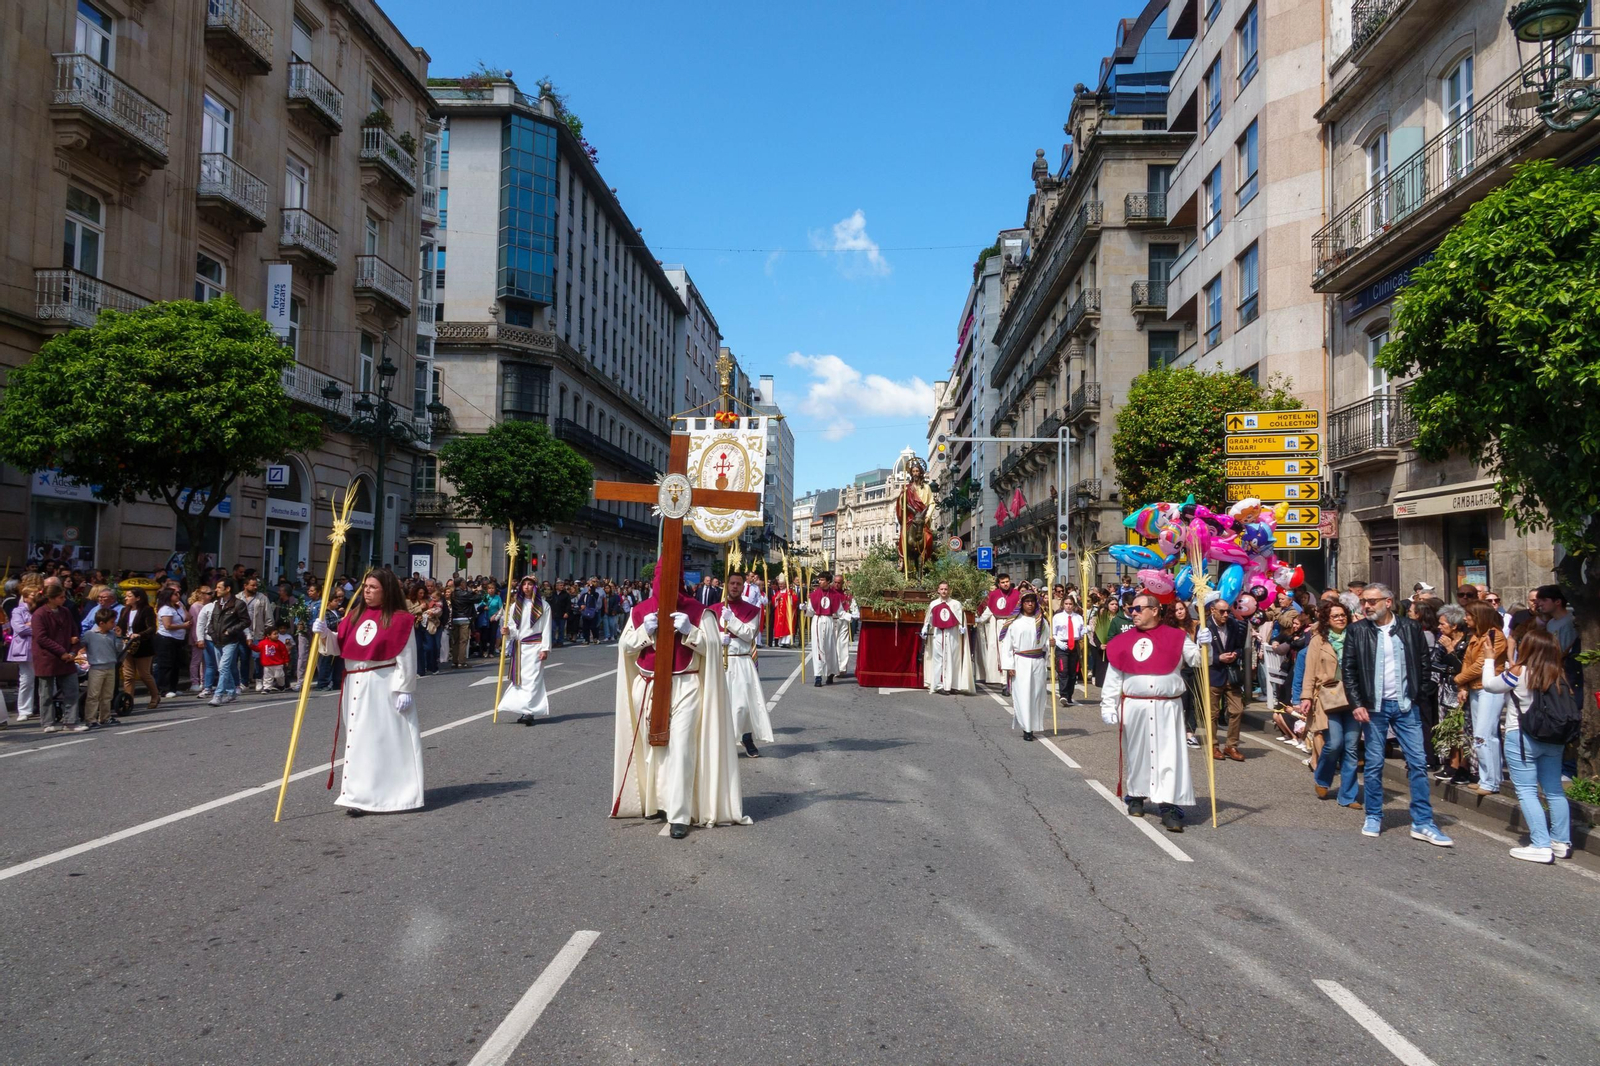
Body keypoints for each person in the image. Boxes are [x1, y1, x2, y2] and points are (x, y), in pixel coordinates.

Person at [611, 564, 748, 839]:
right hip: (648, 685)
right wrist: (643, 633)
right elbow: (624, 647)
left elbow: (712, 649)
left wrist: (691, 632)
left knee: (682, 747)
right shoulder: (640, 610)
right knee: (654, 748)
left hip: (686, 683)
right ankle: (656, 802)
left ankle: (680, 814)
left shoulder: (698, 612)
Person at [1341, 583, 1452, 846]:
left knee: (1417, 763)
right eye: (1364, 602)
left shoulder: (1410, 628)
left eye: (1372, 601)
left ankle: (1423, 822)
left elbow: (1425, 665)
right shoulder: (1357, 631)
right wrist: (1357, 702)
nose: (1366, 606)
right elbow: (1349, 669)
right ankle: (1374, 815)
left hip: (1405, 706)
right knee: (1375, 763)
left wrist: (1419, 694)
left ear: (1388, 602)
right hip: (1374, 707)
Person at [312, 569, 423, 815]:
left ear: (386, 591)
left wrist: (405, 688)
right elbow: (337, 647)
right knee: (357, 740)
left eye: (373, 587)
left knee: (379, 740)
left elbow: (406, 655)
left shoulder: (400, 619)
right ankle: (357, 794)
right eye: (366, 586)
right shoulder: (354, 615)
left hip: (382, 684)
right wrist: (324, 634)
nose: (367, 591)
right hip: (353, 683)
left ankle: (384, 794)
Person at [1100, 591, 1209, 833]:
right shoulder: (1123, 640)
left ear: (1155, 610)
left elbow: (1200, 661)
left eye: (1138, 609)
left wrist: (1204, 643)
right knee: (1137, 753)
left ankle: (1169, 806)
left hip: (1167, 706)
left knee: (1168, 755)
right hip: (1134, 705)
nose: (1133, 613)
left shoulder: (1177, 637)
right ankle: (1137, 796)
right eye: (1131, 610)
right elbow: (1114, 676)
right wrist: (1107, 704)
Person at [1481, 626, 1575, 863]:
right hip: (1553, 739)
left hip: (1521, 737)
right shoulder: (1559, 674)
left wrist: (1490, 660)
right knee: (1553, 790)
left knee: (1527, 791)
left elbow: (1490, 685)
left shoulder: (1519, 672)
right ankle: (1561, 842)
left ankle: (1541, 845)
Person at [1299, 600, 1359, 807]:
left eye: (1343, 615)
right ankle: (1322, 778)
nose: (1341, 618)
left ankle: (1348, 795)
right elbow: (1309, 671)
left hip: (1353, 698)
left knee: (1351, 747)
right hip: (1327, 696)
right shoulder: (1319, 641)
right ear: (1327, 619)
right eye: (1336, 616)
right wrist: (1306, 696)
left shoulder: (1356, 636)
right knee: (1334, 743)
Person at [1454, 600, 1510, 796]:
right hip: (1476, 688)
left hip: (1490, 688)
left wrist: (1459, 679)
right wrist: (1462, 685)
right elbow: (1467, 661)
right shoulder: (1476, 635)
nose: (1465, 618)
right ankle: (1487, 778)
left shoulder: (1495, 636)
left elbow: (1481, 664)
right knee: (1480, 735)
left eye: (1469, 615)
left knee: (1484, 735)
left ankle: (1492, 781)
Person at [719, 573, 773, 757]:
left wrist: (731, 620)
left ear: (743, 587)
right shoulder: (714, 609)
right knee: (720, 704)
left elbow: (749, 634)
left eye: (738, 584)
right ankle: (721, 742)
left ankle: (746, 737)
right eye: (732, 583)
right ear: (726, 585)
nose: (735, 586)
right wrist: (717, 638)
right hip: (719, 661)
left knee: (742, 705)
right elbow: (705, 635)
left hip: (741, 660)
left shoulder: (752, 610)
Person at [497, 576, 553, 725]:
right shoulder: (515, 606)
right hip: (520, 648)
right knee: (520, 680)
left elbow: (546, 628)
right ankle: (524, 710)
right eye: (524, 585)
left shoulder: (544, 606)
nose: (527, 587)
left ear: (535, 587)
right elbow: (514, 629)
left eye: (530, 584)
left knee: (533, 679)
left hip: (535, 646)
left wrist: (545, 648)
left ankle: (529, 712)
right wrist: (507, 631)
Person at [1204, 595, 1249, 762]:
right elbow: (1198, 652)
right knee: (1213, 714)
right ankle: (1213, 746)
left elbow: (1239, 645)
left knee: (1237, 709)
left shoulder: (1232, 623)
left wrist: (1235, 654)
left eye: (1227, 612)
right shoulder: (1205, 626)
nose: (1225, 615)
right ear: (1212, 611)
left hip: (1231, 673)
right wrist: (1217, 658)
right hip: (1214, 673)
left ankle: (1231, 745)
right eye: (1222, 612)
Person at [33, 584, 83, 733]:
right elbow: (41, 638)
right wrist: (62, 652)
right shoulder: (39, 614)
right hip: (47, 657)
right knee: (46, 693)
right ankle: (48, 723)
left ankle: (71, 722)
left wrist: (73, 652)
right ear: (50, 598)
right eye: (61, 597)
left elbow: (74, 632)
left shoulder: (66, 611)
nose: (64, 599)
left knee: (72, 690)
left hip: (67, 657)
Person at [1004, 592, 1049, 741]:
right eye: (1027, 602)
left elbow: (1046, 642)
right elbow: (1007, 646)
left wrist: (1051, 644)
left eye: (1032, 602)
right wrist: (1010, 665)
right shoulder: (1015, 623)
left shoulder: (1042, 622)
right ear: (1021, 604)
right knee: (1023, 694)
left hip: (1037, 661)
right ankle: (1026, 728)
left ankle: (1034, 724)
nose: (1030, 604)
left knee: (1036, 694)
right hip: (1021, 661)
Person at [920, 581, 972, 695]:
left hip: (952, 633)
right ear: (938, 590)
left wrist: (962, 627)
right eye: (942, 589)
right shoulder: (933, 604)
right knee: (938, 659)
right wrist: (925, 628)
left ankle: (953, 684)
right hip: (938, 633)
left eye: (946, 589)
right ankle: (939, 685)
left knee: (953, 658)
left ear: (949, 590)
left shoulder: (956, 604)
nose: (944, 591)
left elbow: (960, 618)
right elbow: (929, 618)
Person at [207, 578, 250, 706]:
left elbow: (246, 621)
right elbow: (212, 622)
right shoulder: (217, 604)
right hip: (217, 640)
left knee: (223, 668)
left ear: (228, 589)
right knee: (225, 668)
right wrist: (212, 633)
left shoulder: (238, 604)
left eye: (219, 587)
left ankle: (218, 695)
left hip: (230, 641)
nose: (216, 590)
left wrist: (230, 631)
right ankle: (231, 692)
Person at [82, 608, 125, 727]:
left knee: (107, 695)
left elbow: (119, 649)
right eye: (111, 622)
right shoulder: (90, 634)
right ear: (101, 623)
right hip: (96, 668)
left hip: (110, 666)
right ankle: (90, 719)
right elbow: (81, 644)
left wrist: (119, 637)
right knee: (93, 695)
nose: (114, 624)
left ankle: (105, 717)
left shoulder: (113, 635)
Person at [977, 574, 1022, 688]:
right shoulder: (994, 595)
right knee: (1001, 652)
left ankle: (1014, 679)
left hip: (1013, 624)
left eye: (1007, 581)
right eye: (1003, 582)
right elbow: (989, 610)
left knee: (1013, 650)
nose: (1005, 584)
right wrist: (978, 620)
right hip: (998, 625)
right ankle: (1004, 682)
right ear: (998, 584)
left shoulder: (1016, 594)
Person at [1534, 584, 1581, 692]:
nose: (1540, 603)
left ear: (1558, 602)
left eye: (1544, 600)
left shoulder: (1569, 622)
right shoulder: (1550, 623)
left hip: (1565, 670)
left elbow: (1565, 649)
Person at [120, 589, 159, 711]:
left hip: (143, 646)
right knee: (128, 676)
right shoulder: (124, 610)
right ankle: (128, 701)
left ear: (138, 598)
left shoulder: (146, 610)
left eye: (129, 596)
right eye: (126, 596)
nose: (126, 598)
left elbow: (152, 628)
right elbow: (120, 626)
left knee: (144, 674)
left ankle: (155, 696)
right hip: (127, 645)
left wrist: (139, 635)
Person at [802, 572, 842, 687]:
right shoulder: (814, 595)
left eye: (822, 580)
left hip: (829, 621)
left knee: (830, 647)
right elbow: (810, 612)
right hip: (817, 621)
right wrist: (804, 608)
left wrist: (850, 616)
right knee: (817, 648)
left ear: (828, 581)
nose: (820, 582)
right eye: (819, 580)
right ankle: (818, 676)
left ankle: (831, 673)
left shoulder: (835, 595)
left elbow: (840, 612)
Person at [6, 587, 39, 723]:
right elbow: (19, 628)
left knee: (46, 678)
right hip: (25, 648)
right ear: (25, 597)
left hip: (40, 647)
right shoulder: (18, 610)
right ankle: (24, 710)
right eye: (33, 595)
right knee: (26, 679)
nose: (35, 597)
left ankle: (42, 707)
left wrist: (32, 625)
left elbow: (45, 627)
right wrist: (36, 627)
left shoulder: (40, 609)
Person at [153, 586, 190, 699]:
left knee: (176, 664)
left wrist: (182, 607)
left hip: (178, 639)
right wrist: (183, 626)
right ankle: (164, 689)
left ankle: (173, 687)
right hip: (166, 639)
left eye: (179, 593)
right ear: (169, 596)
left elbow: (188, 617)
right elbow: (167, 625)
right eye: (175, 594)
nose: (178, 596)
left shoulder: (178, 607)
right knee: (166, 664)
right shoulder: (165, 609)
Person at [1051, 596, 1085, 702]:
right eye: (1066, 604)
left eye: (1070, 604)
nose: (1068, 606)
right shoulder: (1057, 617)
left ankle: (1069, 695)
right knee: (1063, 670)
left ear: (1073, 605)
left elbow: (1080, 633)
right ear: (1063, 605)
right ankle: (1063, 695)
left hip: (1074, 645)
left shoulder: (1078, 617)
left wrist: (1084, 631)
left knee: (1072, 672)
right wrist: (1058, 641)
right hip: (1062, 645)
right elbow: (1053, 633)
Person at [254, 625, 290, 691]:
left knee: (279, 676)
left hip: (278, 664)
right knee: (267, 677)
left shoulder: (280, 644)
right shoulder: (263, 643)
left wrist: (286, 661)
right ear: (268, 635)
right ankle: (267, 688)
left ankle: (281, 685)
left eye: (277, 634)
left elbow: (284, 652)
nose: (277, 635)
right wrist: (251, 645)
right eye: (275, 634)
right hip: (267, 664)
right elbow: (257, 649)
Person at [831, 575, 855, 676]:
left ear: (842, 583)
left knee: (843, 644)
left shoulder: (846, 594)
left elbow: (852, 605)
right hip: (832, 620)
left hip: (843, 621)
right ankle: (832, 667)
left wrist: (854, 614)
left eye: (839, 583)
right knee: (832, 645)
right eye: (835, 582)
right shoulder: (829, 592)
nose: (837, 584)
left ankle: (842, 668)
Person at [771, 575, 797, 648]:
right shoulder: (778, 592)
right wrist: (776, 598)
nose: (781, 585)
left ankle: (787, 642)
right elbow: (774, 601)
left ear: (786, 584)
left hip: (787, 613)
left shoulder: (790, 592)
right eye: (779, 584)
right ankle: (781, 642)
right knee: (780, 627)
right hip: (779, 614)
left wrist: (790, 597)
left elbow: (795, 600)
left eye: (782, 584)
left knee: (787, 626)